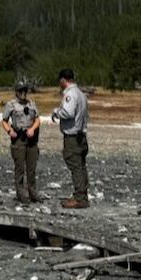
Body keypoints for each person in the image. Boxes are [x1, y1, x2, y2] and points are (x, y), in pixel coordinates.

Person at [50, 68, 90, 209]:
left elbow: (68, 112)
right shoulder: (81, 94)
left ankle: (80, 198)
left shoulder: (70, 94)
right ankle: (82, 193)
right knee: (81, 165)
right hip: (81, 135)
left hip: (73, 136)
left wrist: (56, 112)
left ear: (63, 80)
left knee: (75, 166)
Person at [1, 81, 42, 203]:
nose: (23, 93)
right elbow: (4, 120)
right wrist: (9, 131)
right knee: (20, 168)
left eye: (25, 90)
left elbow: (37, 119)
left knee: (32, 168)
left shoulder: (32, 104)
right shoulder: (11, 105)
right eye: (20, 90)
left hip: (31, 139)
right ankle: (21, 195)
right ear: (16, 91)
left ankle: (33, 193)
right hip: (18, 138)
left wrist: (33, 129)